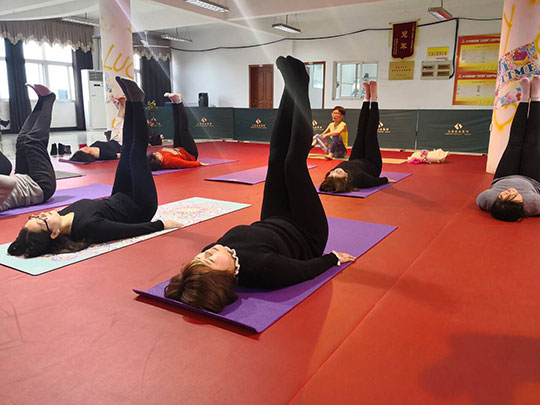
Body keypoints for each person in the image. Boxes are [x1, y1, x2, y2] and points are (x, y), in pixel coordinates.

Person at [163, 56, 356, 313]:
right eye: (209, 260)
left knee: (275, 159)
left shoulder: (213, 250)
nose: (206, 253)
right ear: (227, 276)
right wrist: (332, 259)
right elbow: (304, 270)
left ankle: (290, 86)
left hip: (273, 219)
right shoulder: (265, 271)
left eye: (200, 257)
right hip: (306, 232)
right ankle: (300, 83)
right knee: (293, 164)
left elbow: (203, 264)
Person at [8, 77, 181, 258]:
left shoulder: (61, 215)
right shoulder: (87, 227)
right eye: (41, 221)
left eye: (35, 217)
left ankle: (132, 102)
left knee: (127, 151)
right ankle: (136, 102)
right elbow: (126, 230)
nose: (42, 214)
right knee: (136, 153)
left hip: (119, 197)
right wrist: (160, 225)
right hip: (140, 206)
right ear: (54, 233)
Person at [476, 75, 540, 222]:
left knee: (514, 142)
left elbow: (481, 198)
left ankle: (525, 97)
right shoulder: (533, 204)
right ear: (522, 205)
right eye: (514, 196)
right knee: (533, 142)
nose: (511, 191)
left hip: (503, 176)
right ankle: (536, 96)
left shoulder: (488, 200)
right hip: (532, 180)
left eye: (504, 195)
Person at [319, 81, 389, 193]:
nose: (336, 170)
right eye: (338, 172)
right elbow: (378, 181)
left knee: (360, 132)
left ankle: (366, 98)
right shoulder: (359, 179)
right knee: (370, 134)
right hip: (372, 164)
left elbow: (327, 182)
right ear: (346, 179)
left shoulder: (331, 177)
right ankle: (374, 99)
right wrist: (386, 180)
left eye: (333, 172)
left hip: (356, 159)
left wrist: (332, 176)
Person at [0, 84, 56, 212]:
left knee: (22, 140)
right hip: (39, 186)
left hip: (21, 176)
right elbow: (9, 181)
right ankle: (48, 99)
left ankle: (42, 100)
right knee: (33, 141)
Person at [147, 92, 204, 171]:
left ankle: (174, 102)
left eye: (154, 153)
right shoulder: (170, 161)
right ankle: (179, 102)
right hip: (190, 153)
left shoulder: (157, 156)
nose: (156, 153)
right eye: (156, 155)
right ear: (160, 162)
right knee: (183, 130)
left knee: (176, 126)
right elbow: (185, 164)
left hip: (178, 149)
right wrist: (199, 164)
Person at [69, 96, 125, 163]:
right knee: (122, 126)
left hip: (113, 140)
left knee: (117, 123)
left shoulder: (92, 148)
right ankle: (126, 106)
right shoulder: (101, 154)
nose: (84, 148)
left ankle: (122, 105)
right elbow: (119, 155)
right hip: (120, 144)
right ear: (88, 153)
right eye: (84, 150)